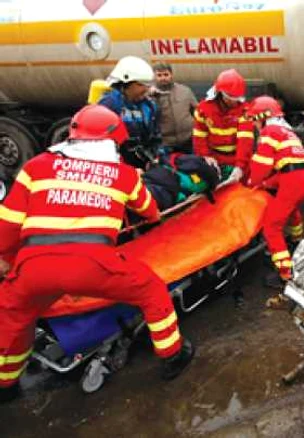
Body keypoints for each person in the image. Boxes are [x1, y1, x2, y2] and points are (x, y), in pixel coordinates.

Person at [0, 105, 194, 403]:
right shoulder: (122, 175)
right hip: (91, 263)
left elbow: (7, 229)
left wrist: (14, 267)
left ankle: (6, 383)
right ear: (113, 142)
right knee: (151, 289)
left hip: (34, 265)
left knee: (14, 319)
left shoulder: (36, 167)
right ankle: (173, 355)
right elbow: (152, 212)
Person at [245, 96, 304, 299]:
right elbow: (290, 164)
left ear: (263, 116)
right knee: (292, 211)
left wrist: (252, 183)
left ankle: (285, 274)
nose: (255, 125)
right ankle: (294, 242)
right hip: (303, 177)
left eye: (255, 120)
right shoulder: (286, 132)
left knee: (271, 227)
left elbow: (260, 167)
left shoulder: (269, 132)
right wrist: (267, 185)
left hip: (291, 181)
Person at [192, 69, 254, 183]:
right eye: (231, 99)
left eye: (237, 99)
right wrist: (206, 157)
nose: (235, 102)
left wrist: (240, 166)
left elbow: (245, 141)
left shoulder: (245, 110)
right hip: (214, 159)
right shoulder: (204, 109)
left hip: (237, 159)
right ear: (220, 93)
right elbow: (199, 137)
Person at [99, 56, 161, 169]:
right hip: (117, 167)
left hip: (143, 166)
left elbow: (155, 138)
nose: (146, 89)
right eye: (140, 84)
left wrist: (155, 158)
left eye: (147, 85)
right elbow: (100, 143)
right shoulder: (109, 104)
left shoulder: (149, 106)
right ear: (126, 83)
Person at [150, 62, 199, 155]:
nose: (163, 78)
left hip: (189, 140)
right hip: (165, 144)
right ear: (154, 77)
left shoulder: (185, 91)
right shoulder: (149, 96)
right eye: (159, 75)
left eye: (166, 74)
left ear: (171, 75)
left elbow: (197, 112)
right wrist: (152, 97)